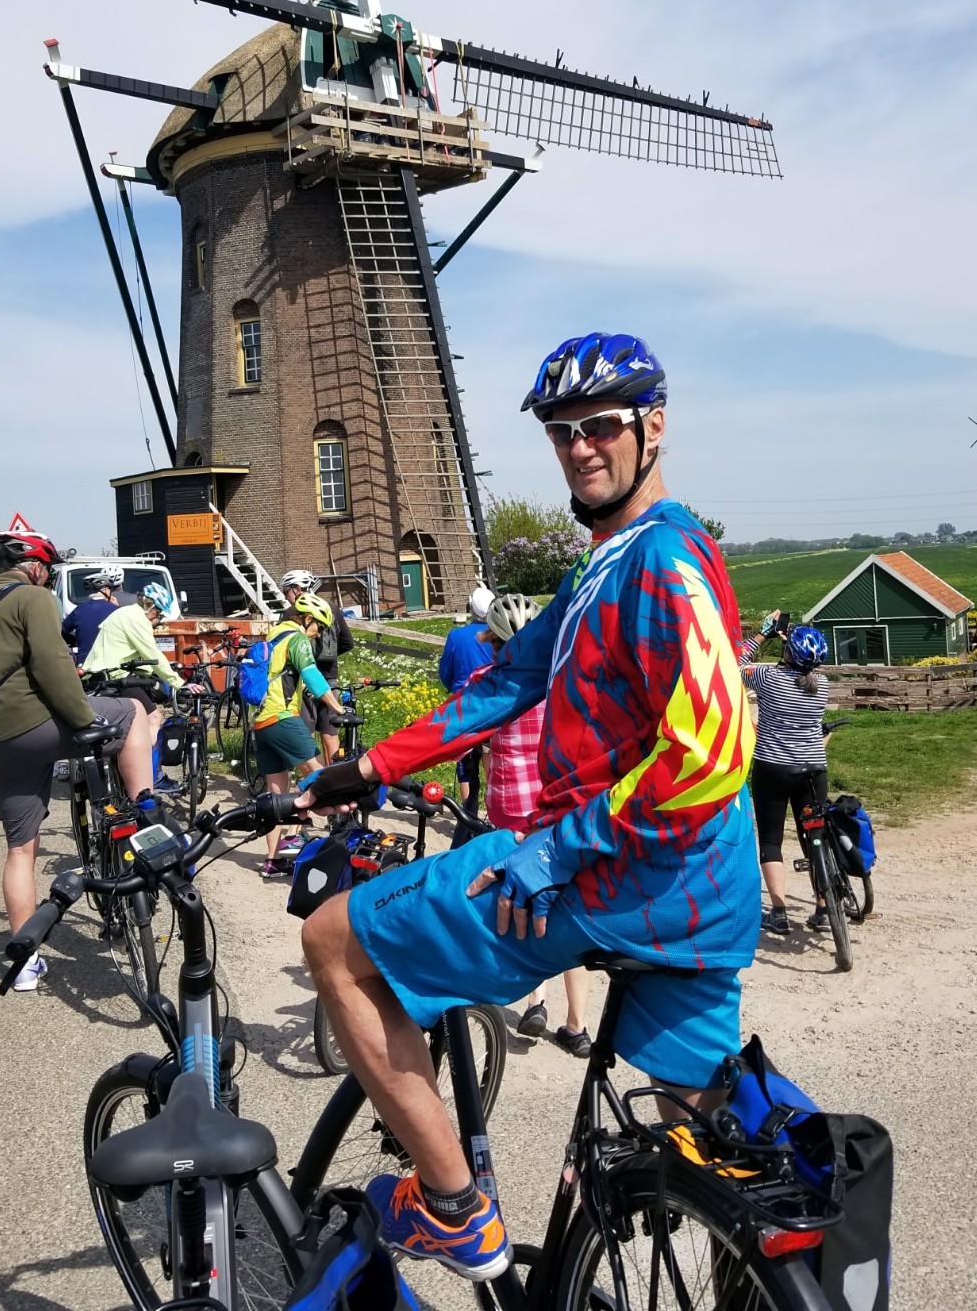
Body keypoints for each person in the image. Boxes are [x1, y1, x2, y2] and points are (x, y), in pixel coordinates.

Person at [298, 332, 758, 1282]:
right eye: (561, 432)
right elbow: (511, 677)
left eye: (599, 427)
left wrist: (553, 854)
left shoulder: (663, 561)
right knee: (715, 1160)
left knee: (333, 943)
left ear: (653, 427)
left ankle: (452, 1207)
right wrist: (375, 764)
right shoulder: (605, 562)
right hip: (702, 898)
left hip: (614, 877)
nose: (580, 447)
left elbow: (711, 751)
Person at [0, 531, 155, 992]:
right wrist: (83, 718)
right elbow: (53, 665)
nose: (49, 578)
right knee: (131, 713)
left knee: (20, 849)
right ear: (35, 567)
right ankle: (148, 815)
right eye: (48, 570)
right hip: (37, 727)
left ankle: (26, 965)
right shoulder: (31, 597)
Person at [481, 593, 593, 1056]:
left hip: (508, 810)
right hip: (554, 812)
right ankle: (577, 1026)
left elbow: (476, 744)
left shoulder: (487, 684)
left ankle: (534, 998)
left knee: (517, 899)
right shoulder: (564, 686)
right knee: (565, 908)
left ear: (492, 644)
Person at [740, 614, 831, 935]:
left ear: (789, 653)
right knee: (814, 835)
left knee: (771, 840)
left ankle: (778, 912)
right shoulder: (823, 685)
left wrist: (764, 635)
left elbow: (735, 663)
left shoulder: (767, 677)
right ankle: (824, 906)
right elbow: (799, 670)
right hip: (813, 771)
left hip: (773, 768)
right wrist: (789, 645)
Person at [255, 592, 347, 880]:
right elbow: (312, 675)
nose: (318, 632)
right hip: (283, 719)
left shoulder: (274, 634)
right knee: (323, 777)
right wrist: (337, 708)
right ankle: (308, 835)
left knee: (275, 793)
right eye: (317, 626)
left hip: (260, 722)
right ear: (306, 618)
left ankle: (272, 861)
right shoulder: (297, 638)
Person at [83, 583, 199, 791]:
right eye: (158, 612)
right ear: (148, 605)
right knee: (153, 718)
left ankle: (128, 769)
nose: (158, 618)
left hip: (100, 676)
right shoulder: (137, 619)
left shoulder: (125, 613)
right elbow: (153, 654)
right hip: (116, 677)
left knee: (128, 722)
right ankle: (151, 777)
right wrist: (179, 683)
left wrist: (148, 673)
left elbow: (130, 653)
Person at [279, 568, 354, 763]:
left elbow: (283, 646)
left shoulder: (291, 613)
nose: (285, 597)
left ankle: (314, 784)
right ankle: (334, 781)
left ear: (296, 589)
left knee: (307, 734)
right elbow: (348, 643)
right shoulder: (332, 607)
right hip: (330, 679)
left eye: (286, 591)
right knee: (330, 733)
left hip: (303, 682)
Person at [437, 585, 495, 835]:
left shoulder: (456, 636)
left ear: (471, 607)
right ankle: (493, 815)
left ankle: (467, 818)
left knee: (464, 763)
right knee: (491, 758)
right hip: (493, 703)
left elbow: (445, 672)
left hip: (464, 705)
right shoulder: (498, 634)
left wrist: (454, 688)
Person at [61, 565, 123, 663]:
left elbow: (63, 631)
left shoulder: (79, 610)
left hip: (84, 663)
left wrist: (75, 640)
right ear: (105, 590)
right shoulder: (116, 610)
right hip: (111, 663)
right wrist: (118, 607)